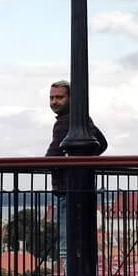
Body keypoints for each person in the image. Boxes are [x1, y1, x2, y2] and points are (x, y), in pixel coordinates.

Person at [45, 79, 108, 262]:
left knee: (66, 245)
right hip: (84, 188)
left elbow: (53, 155)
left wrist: (68, 163)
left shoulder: (64, 123)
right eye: (51, 98)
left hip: (67, 188)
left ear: (72, 99)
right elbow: (102, 143)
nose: (54, 102)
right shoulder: (84, 120)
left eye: (59, 97)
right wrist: (85, 161)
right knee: (83, 241)